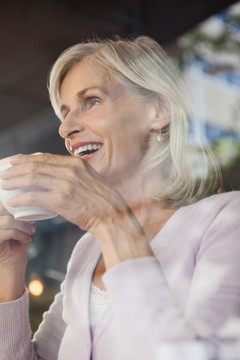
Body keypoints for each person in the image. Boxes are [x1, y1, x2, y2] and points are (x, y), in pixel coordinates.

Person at [0, 36, 239, 360]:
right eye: (65, 112)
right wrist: (8, 272)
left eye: (92, 101)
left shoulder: (226, 219)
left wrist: (110, 221)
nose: (65, 128)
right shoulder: (87, 249)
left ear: (157, 111)